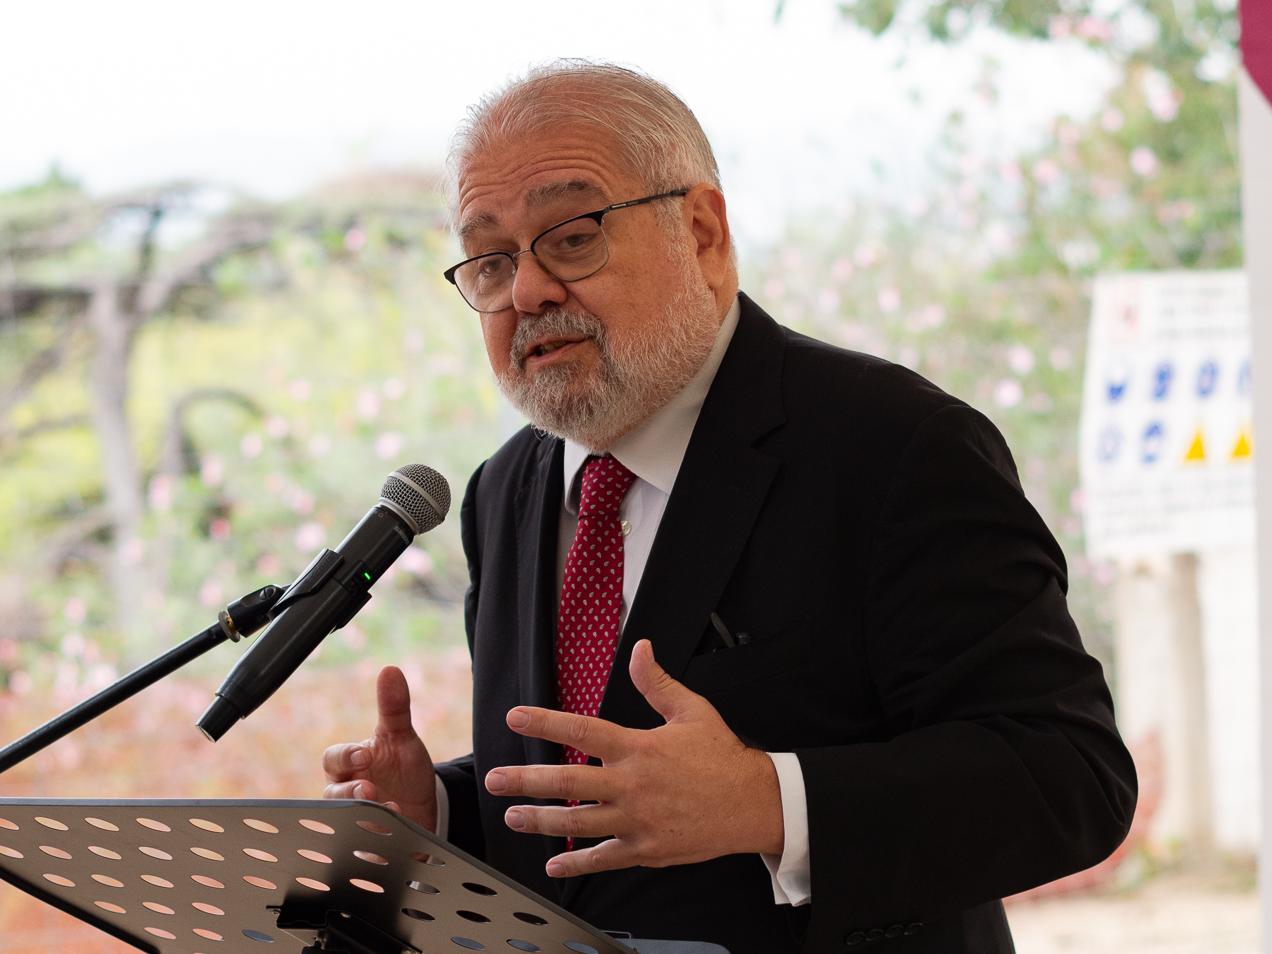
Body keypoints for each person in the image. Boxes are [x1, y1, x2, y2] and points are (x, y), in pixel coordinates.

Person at [323, 60, 1137, 953]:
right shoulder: (503, 489)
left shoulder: (894, 445)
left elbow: (1070, 778)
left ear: (703, 233)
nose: (527, 291)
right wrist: (439, 812)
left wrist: (766, 802)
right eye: (490, 261)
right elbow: (592, 783)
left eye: (572, 237)